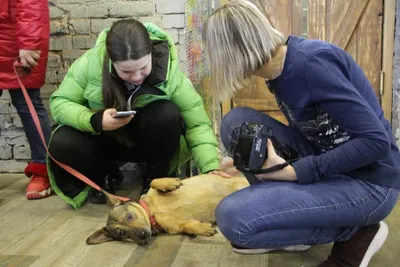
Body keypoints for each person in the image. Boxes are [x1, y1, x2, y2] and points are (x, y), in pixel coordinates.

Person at [202, 1, 400, 266]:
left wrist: (295, 172)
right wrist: (247, 160)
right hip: (330, 160)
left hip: (370, 183)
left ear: (234, 51)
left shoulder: (311, 65)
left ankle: (358, 231)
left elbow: (376, 143)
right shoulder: (277, 69)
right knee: (236, 124)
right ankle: (299, 217)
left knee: (234, 220)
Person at [47, 18, 229, 209]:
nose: (136, 77)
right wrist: (94, 120)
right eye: (126, 71)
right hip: (106, 140)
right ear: (110, 60)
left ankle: (155, 182)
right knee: (61, 140)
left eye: (143, 68)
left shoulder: (168, 71)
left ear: (151, 54)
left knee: (167, 113)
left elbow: (197, 123)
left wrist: (210, 168)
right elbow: (60, 103)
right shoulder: (89, 64)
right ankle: (105, 177)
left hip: (148, 141)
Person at [0, 0, 52, 199]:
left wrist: (29, 41)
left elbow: (31, 3)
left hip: (15, 38)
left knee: (28, 105)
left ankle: (42, 170)